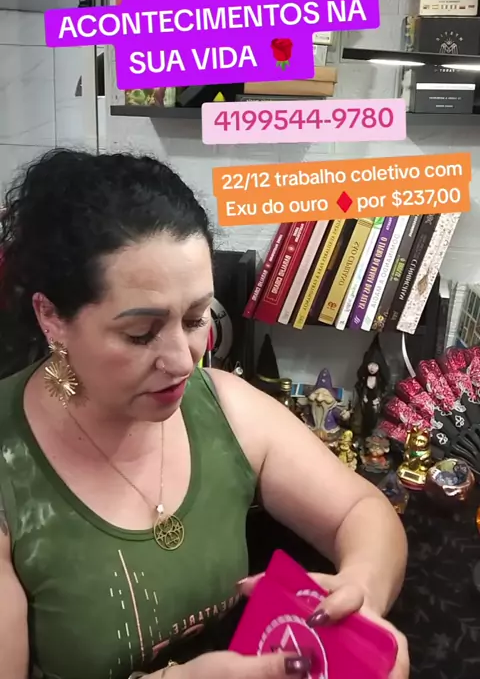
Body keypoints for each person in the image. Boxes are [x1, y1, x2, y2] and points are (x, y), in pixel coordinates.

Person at [0, 149, 409, 679]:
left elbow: (361, 510)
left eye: (196, 319)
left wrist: (360, 591)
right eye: (140, 333)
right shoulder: (11, 468)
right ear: (52, 316)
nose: (182, 360)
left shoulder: (222, 405)